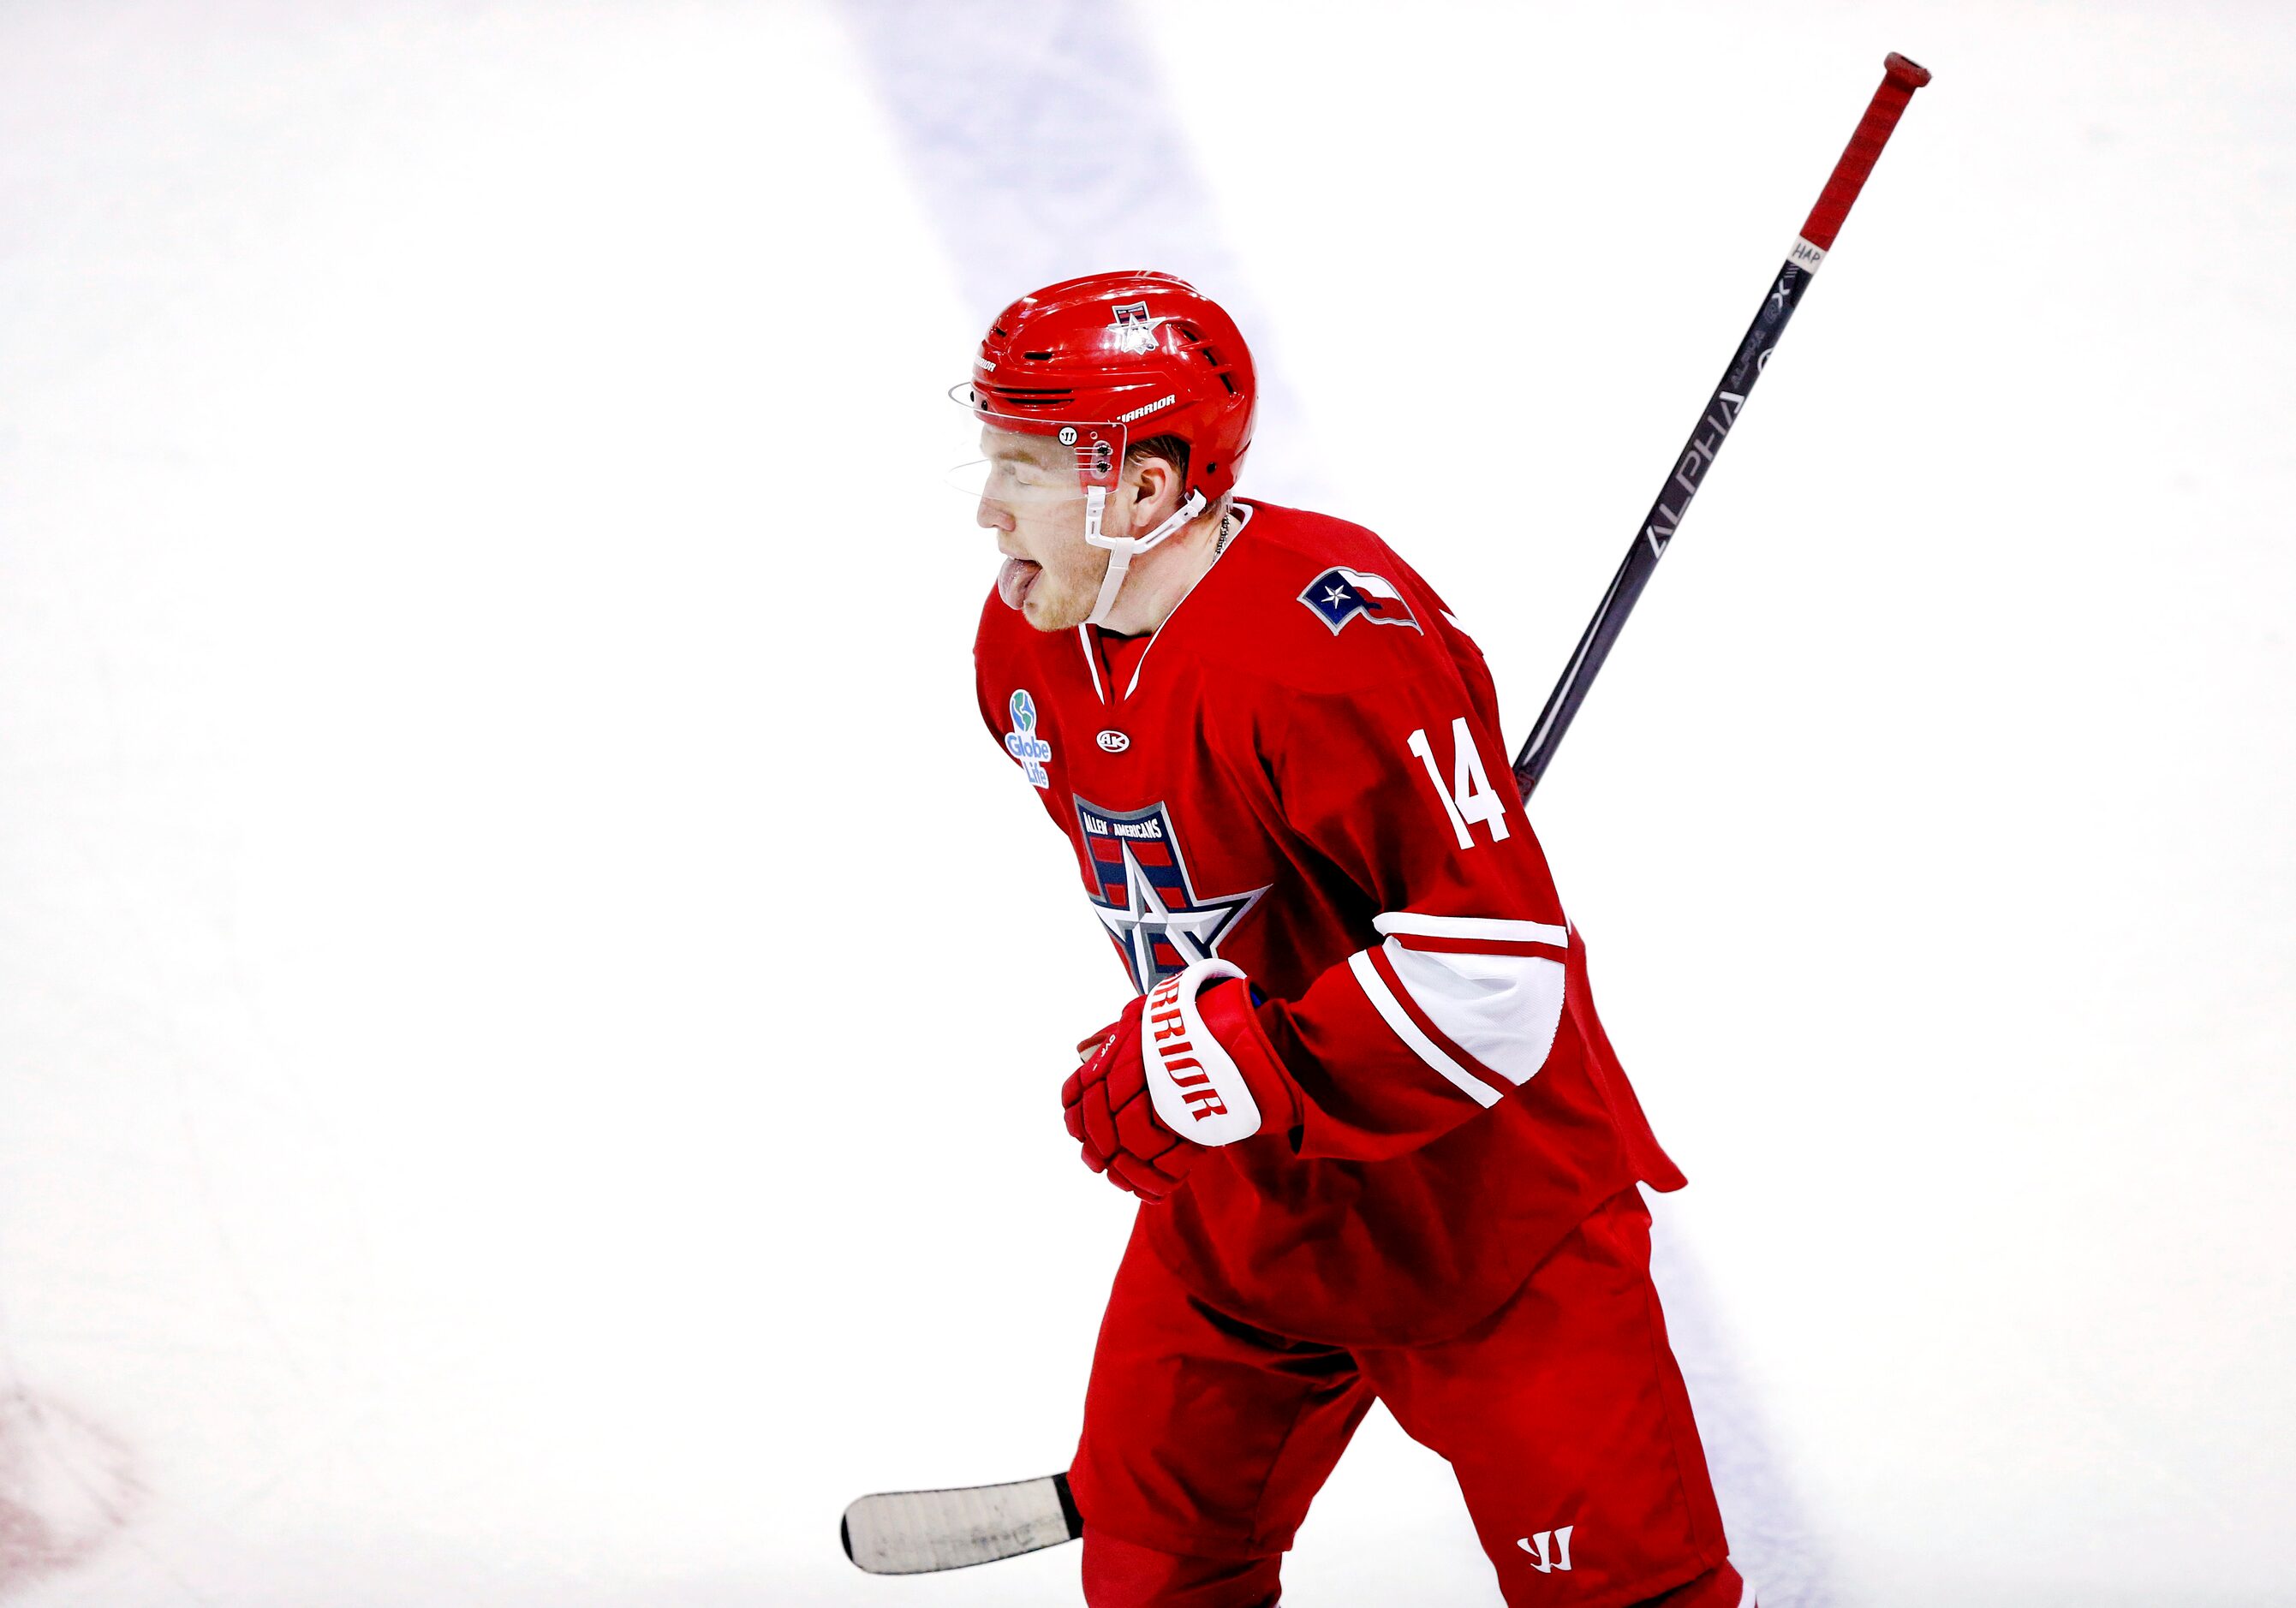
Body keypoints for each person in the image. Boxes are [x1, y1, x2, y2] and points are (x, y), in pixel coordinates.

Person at [966, 271, 1749, 1608]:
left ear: (1143, 491)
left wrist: (1231, 1063)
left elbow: (1497, 975)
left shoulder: (1332, 644)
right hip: (1248, 1212)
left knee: (1628, 1600)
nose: (988, 509)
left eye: (1026, 468)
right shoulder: (1021, 648)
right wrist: (1193, 1053)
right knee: (1156, 1573)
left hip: (1485, 1225)